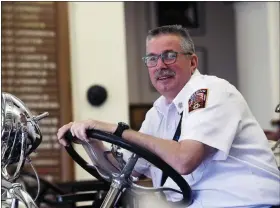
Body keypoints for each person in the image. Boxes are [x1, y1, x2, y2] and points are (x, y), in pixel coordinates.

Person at [57, 25, 280, 207]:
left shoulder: (210, 91)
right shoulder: (159, 111)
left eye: (169, 56)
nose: (160, 66)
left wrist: (118, 130)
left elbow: (185, 160)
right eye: (152, 59)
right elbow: (125, 171)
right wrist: (93, 141)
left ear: (192, 62)